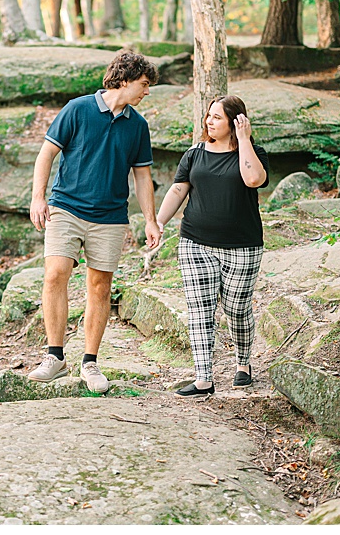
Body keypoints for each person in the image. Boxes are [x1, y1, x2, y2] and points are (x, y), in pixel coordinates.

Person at [26, 52, 162, 393]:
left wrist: (150, 220)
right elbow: (46, 154)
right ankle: (55, 357)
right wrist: (38, 197)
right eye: (144, 84)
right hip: (67, 208)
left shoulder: (138, 126)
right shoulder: (78, 109)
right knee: (55, 272)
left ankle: (90, 362)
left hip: (110, 217)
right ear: (125, 79)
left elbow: (143, 177)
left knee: (100, 287)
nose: (147, 91)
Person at [153, 95, 269, 397]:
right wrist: (159, 222)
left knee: (236, 308)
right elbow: (179, 189)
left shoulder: (254, 152)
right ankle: (203, 377)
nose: (209, 121)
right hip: (195, 243)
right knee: (200, 310)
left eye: (217, 117)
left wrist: (243, 140)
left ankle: (243, 363)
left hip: (242, 246)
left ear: (235, 121)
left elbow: (254, 179)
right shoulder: (194, 154)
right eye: (208, 116)